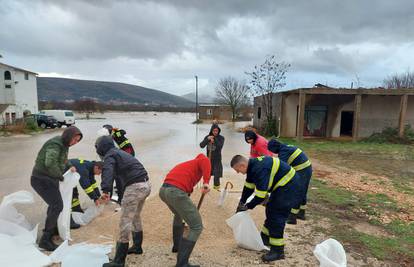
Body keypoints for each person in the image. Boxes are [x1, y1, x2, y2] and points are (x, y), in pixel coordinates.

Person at [231, 154, 302, 262]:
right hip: (282, 186)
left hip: (289, 185)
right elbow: (248, 188)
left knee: (276, 215)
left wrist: (247, 207)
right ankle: (265, 238)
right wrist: (241, 203)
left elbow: (260, 196)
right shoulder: (251, 168)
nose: (237, 172)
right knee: (271, 210)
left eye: (237, 170)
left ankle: (278, 251)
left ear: (242, 165)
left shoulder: (259, 169)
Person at [96, 136, 151, 267]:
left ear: (101, 148)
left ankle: (119, 261)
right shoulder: (120, 153)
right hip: (146, 184)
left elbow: (107, 171)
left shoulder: (110, 155)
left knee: (125, 221)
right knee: (135, 216)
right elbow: (120, 181)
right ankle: (137, 247)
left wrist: (105, 190)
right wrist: (121, 198)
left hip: (135, 187)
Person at [30, 126, 83, 251]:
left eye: (77, 141)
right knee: (57, 205)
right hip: (41, 179)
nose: (75, 142)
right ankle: (45, 240)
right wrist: (60, 177)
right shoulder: (55, 144)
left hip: (49, 179)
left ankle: (51, 230)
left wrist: (70, 166)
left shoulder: (64, 145)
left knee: (54, 204)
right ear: (68, 135)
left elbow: (63, 159)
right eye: (74, 139)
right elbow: (50, 163)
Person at [159, 154, 211, 267]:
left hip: (163, 191)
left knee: (178, 214)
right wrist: (206, 182)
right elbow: (205, 160)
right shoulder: (202, 160)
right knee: (196, 226)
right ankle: (182, 263)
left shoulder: (187, 165)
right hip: (175, 191)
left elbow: (185, 187)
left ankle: (177, 246)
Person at [267, 139, 312, 224]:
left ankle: (292, 217)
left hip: (302, 170)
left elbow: (281, 169)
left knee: (297, 192)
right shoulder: (286, 146)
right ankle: (301, 213)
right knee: (302, 191)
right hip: (306, 169)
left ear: (274, 148)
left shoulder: (283, 153)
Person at [200, 124, 224, 191]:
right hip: (209, 160)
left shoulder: (221, 138)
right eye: (214, 131)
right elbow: (201, 145)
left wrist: (214, 140)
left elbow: (220, 147)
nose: (215, 132)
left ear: (218, 131)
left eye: (216, 131)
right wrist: (207, 139)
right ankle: (205, 187)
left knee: (217, 176)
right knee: (207, 175)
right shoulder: (208, 137)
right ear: (211, 131)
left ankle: (216, 189)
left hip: (217, 160)